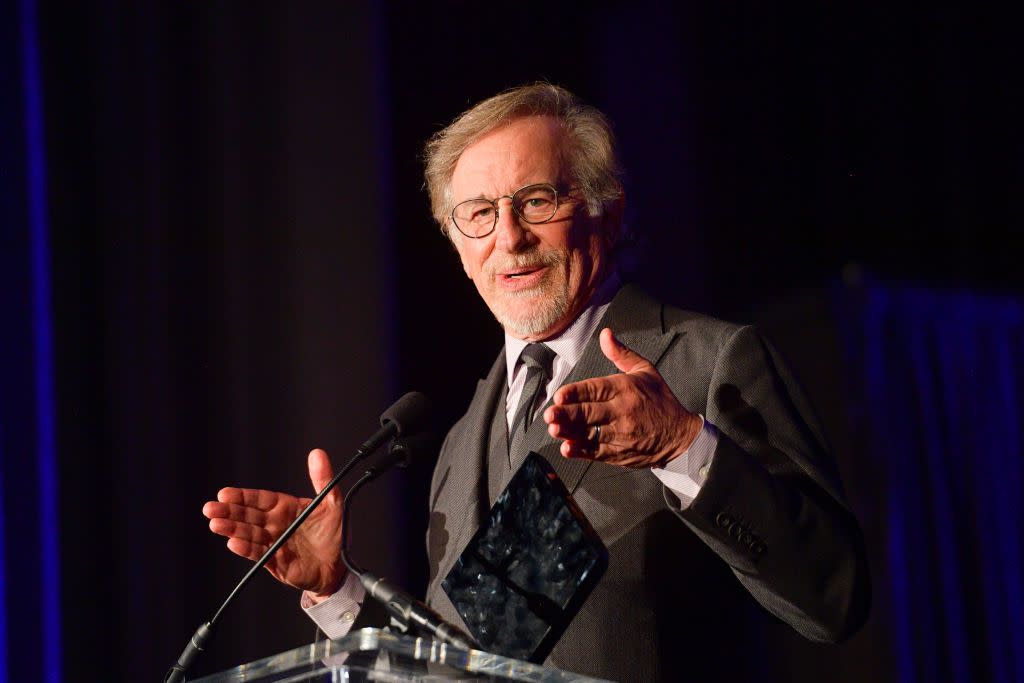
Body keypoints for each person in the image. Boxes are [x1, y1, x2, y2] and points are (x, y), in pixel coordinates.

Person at [203, 83, 870, 681]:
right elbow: (463, 664)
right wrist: (338, 590)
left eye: (537, 200)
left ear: (606, 211)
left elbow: (834, 597)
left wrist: (684, 448)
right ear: (459, 250)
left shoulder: (710, 361)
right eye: (480, 214)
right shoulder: (463, 438)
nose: (510, 238)